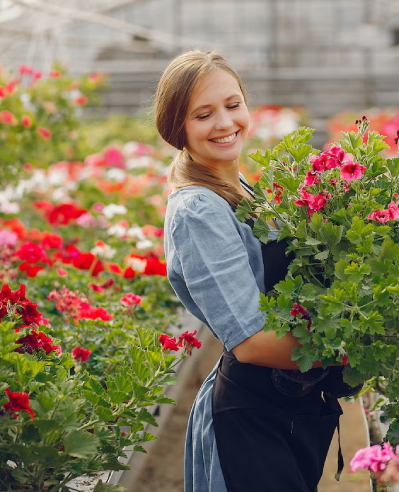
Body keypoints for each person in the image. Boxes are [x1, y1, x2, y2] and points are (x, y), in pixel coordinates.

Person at [156, 50, 343, 492]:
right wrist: (356, 348)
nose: (224, 123)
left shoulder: (238, 187)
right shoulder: (198, 209)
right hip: (252, 420)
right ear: (176, 129)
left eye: (232, 104)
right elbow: (253, 343)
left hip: (285, 406)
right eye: (203, 114)